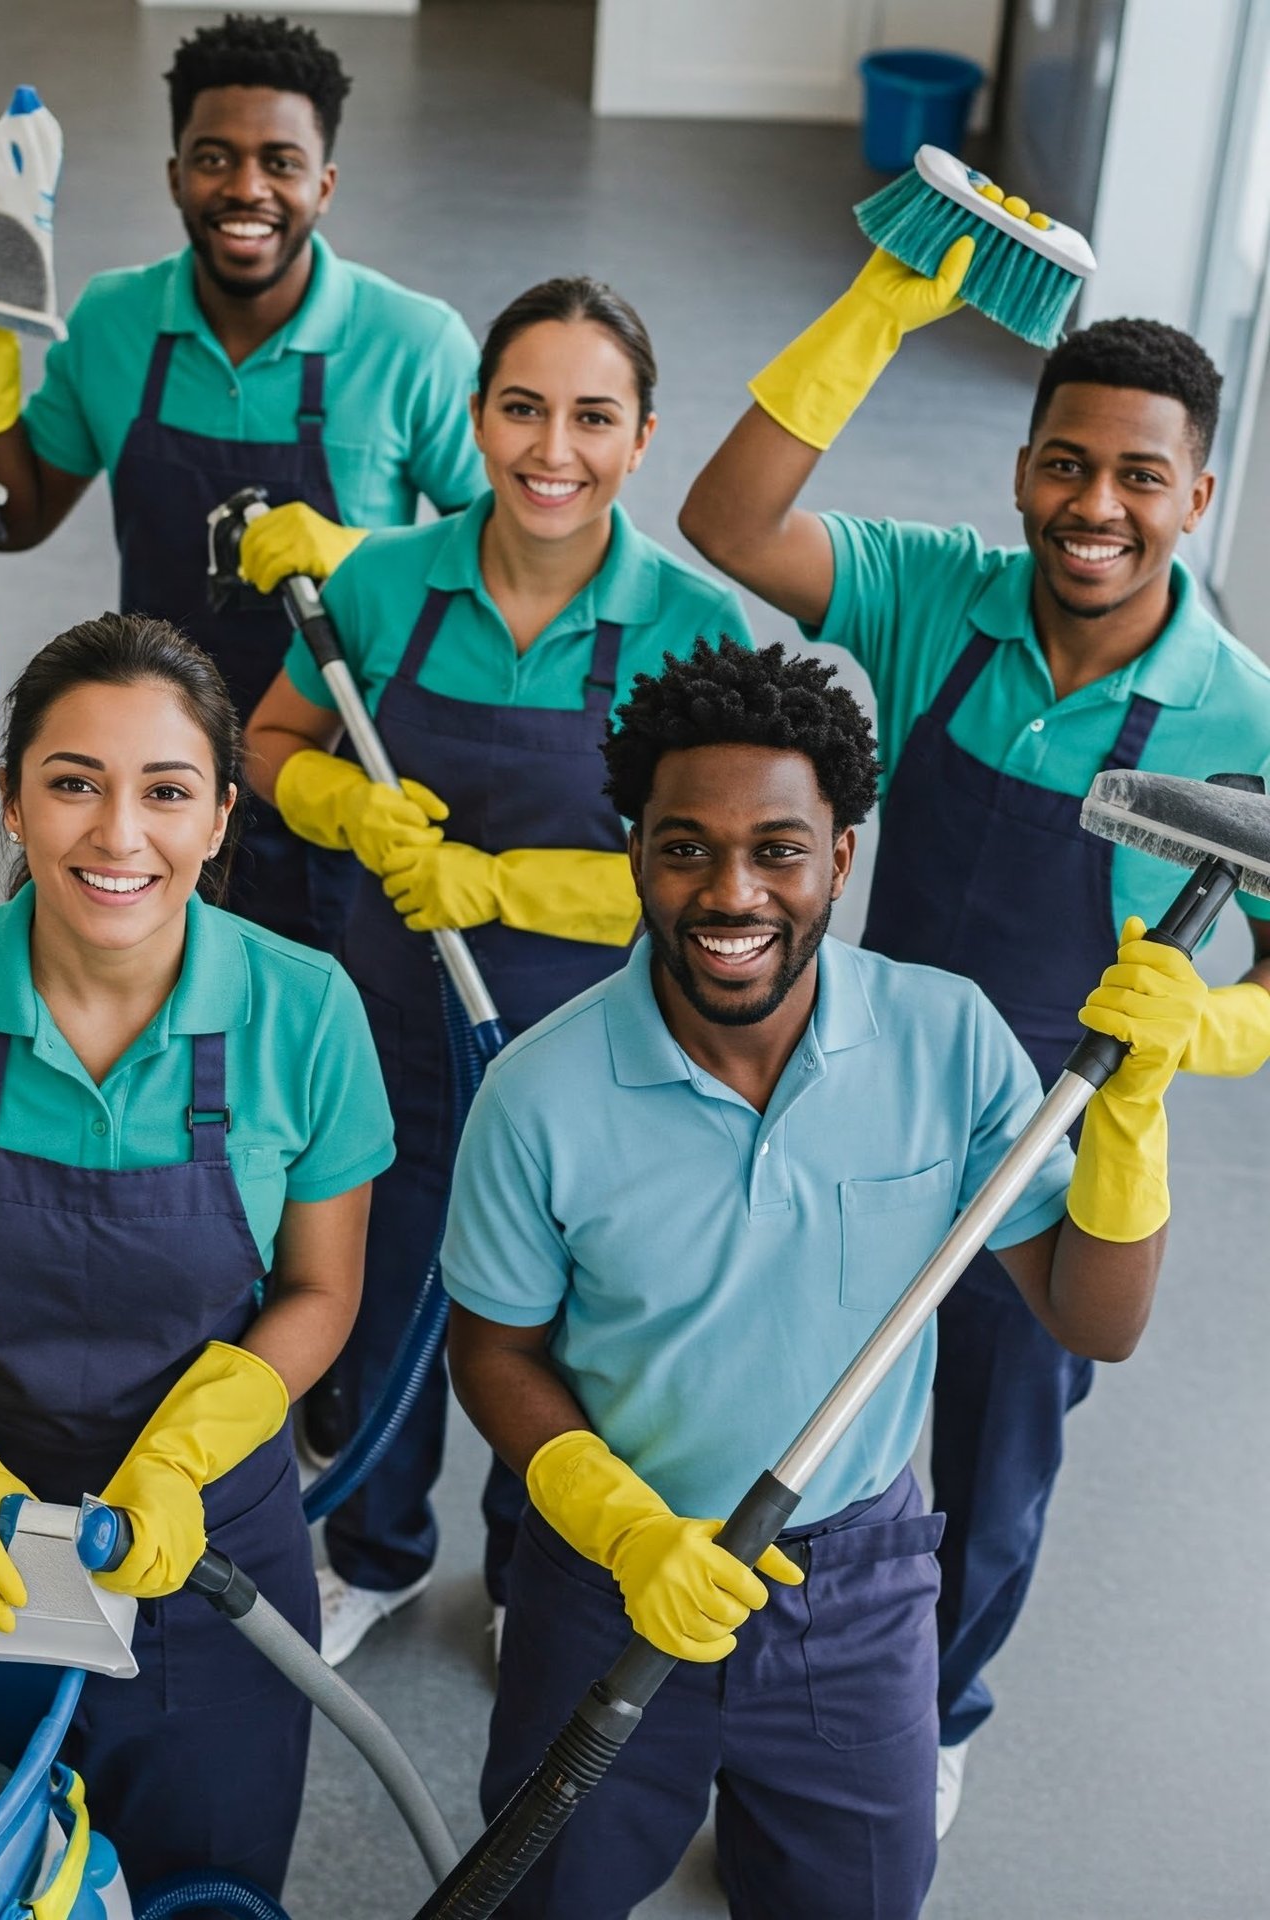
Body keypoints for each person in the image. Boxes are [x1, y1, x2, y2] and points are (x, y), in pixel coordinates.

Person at [444, 637, 1194, 1919]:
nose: (732, 892)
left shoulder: (946, 1037)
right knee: (541, 1895)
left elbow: (1094, 1318)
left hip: (854, 1587)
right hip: (612, 1575)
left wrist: (1131, 1125)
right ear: (636, 850)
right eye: (685, 847)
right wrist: (623, 1531)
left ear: (841, 856)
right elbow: (493, 1350)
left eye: (780, 850)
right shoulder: (538, 1096)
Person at [678, 251, 1270, 1827]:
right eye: (1066, 462)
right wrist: (877, 307)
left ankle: (932, 1716)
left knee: (997, 1461)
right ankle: (760, 1675)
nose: (1097, 505)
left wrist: (1208, 1028)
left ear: (1197, 497)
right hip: (860, 1095)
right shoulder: (940, 591)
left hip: (1051, 1158)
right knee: (806, 1407)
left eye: (1142, 477)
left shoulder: (1247, 719)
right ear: (1021, 468)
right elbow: (728, 526)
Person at [0, 614, 393, 1897]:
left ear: (223, 818)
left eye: (167, 792)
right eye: (73, 783)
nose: (120, 836)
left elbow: (321, 1289)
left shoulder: (306, 1013)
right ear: (10, 802)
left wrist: (183, 1453)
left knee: (207, 1878)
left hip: (212, 1545)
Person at [244, 276, 750, 1664]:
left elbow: (722, 874)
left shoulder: (691, 623)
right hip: (395, 1027)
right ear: (474, 417)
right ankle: (376, 1550)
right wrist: (343, 808)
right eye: (523, 408)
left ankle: (541, 1567)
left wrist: (505, 883)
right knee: (384, 1290)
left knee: (568, 1328)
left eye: (595, 417)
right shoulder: (382, 584)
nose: (554, 449)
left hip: (597, 1054)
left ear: (643, 439)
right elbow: (269, 743)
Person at [0, 12, 483, 948]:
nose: (246, 188)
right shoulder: (115, 320)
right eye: (214, 157)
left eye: (279, 162)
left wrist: (360, 554)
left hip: (333, 768)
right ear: (173, 175)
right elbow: (15, 517)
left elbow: (509, 553)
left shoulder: (412, 344)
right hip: (148, 779)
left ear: (323, 182)